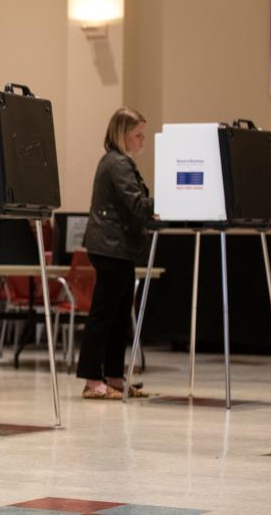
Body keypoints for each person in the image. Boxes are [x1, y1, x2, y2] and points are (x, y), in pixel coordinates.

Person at [77, 107, 154, 399]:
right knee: (104, 314)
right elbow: (135, 204)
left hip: (116, 248)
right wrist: (164, 204)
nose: (141, 142)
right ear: (122, 134)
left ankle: (113, 376)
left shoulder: (117, 161)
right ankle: (92, 380)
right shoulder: (117, 163)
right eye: (138, 135)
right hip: (111, 247)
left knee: (119, 314)